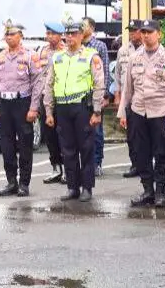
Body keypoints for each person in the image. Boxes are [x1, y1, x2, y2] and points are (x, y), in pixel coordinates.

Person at [118, 19, 165, 208]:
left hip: (161, 111)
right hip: (139, 110)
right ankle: (147, 190)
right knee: (141, 152)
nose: (146, 35)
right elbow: (128, 89)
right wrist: (123, 112)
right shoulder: (134, 58)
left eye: (150, 32)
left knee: (162, 152)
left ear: (158, 34)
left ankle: (160, 192)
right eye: (143, 32)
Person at [43, 20, 106, 202]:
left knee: (85, 148)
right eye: (67, 34)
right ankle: (72, 187)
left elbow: (99, 84)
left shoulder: (90, 56)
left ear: (81, 35)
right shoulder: (58, 57)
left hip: (81, 107)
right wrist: (48, 110)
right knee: (67, 149)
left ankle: (87, 187)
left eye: (73, 34)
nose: (70, 37)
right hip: (62, 108)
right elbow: (49, 84)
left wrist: (97, 111)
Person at [0, 22, 41, 197]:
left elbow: (37, 83)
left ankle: (24, 183)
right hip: (5, 104)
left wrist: (34, 108)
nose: (9, 37)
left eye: (12, 34)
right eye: (7, 34)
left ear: (20, 36)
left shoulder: (30, 56)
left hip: (22, 102)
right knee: (6, 145)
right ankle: (11, 181)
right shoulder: (0, 57)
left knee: (25, 144)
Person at [35, 21, 68, 184]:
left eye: (52, 34)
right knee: (50, 136)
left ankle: (68, 170)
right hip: (45, 97)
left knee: (64, 135)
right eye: (47, 33)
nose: (48, 36)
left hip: (61, 97)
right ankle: (56, 168)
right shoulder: (42, 50)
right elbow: (37, 76)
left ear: (60, 35)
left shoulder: (66, 51)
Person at [82, 17, 112, 176]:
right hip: (81, 96)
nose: (81, 28)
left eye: (84, 25)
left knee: (97, 131)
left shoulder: (100, 46)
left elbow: (105, 70)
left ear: (92, 28)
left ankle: (97, 162)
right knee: (83, 131)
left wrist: (105, 94)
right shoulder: (78, 46)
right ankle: (86, 164)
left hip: (96, 94)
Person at [116, 20, 143, 179]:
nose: (133, 34)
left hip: (144, 97)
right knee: (131, 136)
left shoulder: (147, 49)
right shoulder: (123, 50)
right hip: (128, 99)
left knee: (145, 136)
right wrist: (118, 96)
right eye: (130, 31)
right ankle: (135, 165)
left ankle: (147, 163)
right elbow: (118, 75)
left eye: (135, 31)